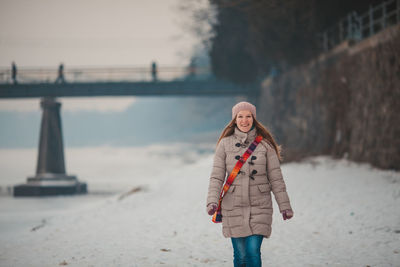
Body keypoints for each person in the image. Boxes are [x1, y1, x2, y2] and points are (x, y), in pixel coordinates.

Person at [206, 101, 293, 267]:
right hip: (233, 206)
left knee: (253, 251)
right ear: (234, 119)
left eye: (248, 116)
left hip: (259, 206)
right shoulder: (225, 144)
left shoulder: (265, 146)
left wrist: (285, 206)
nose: (244, 120)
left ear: (253, 119)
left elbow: (276, 179)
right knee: (240, 255)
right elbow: (216, 177)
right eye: (240, 116)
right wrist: (211, 201)